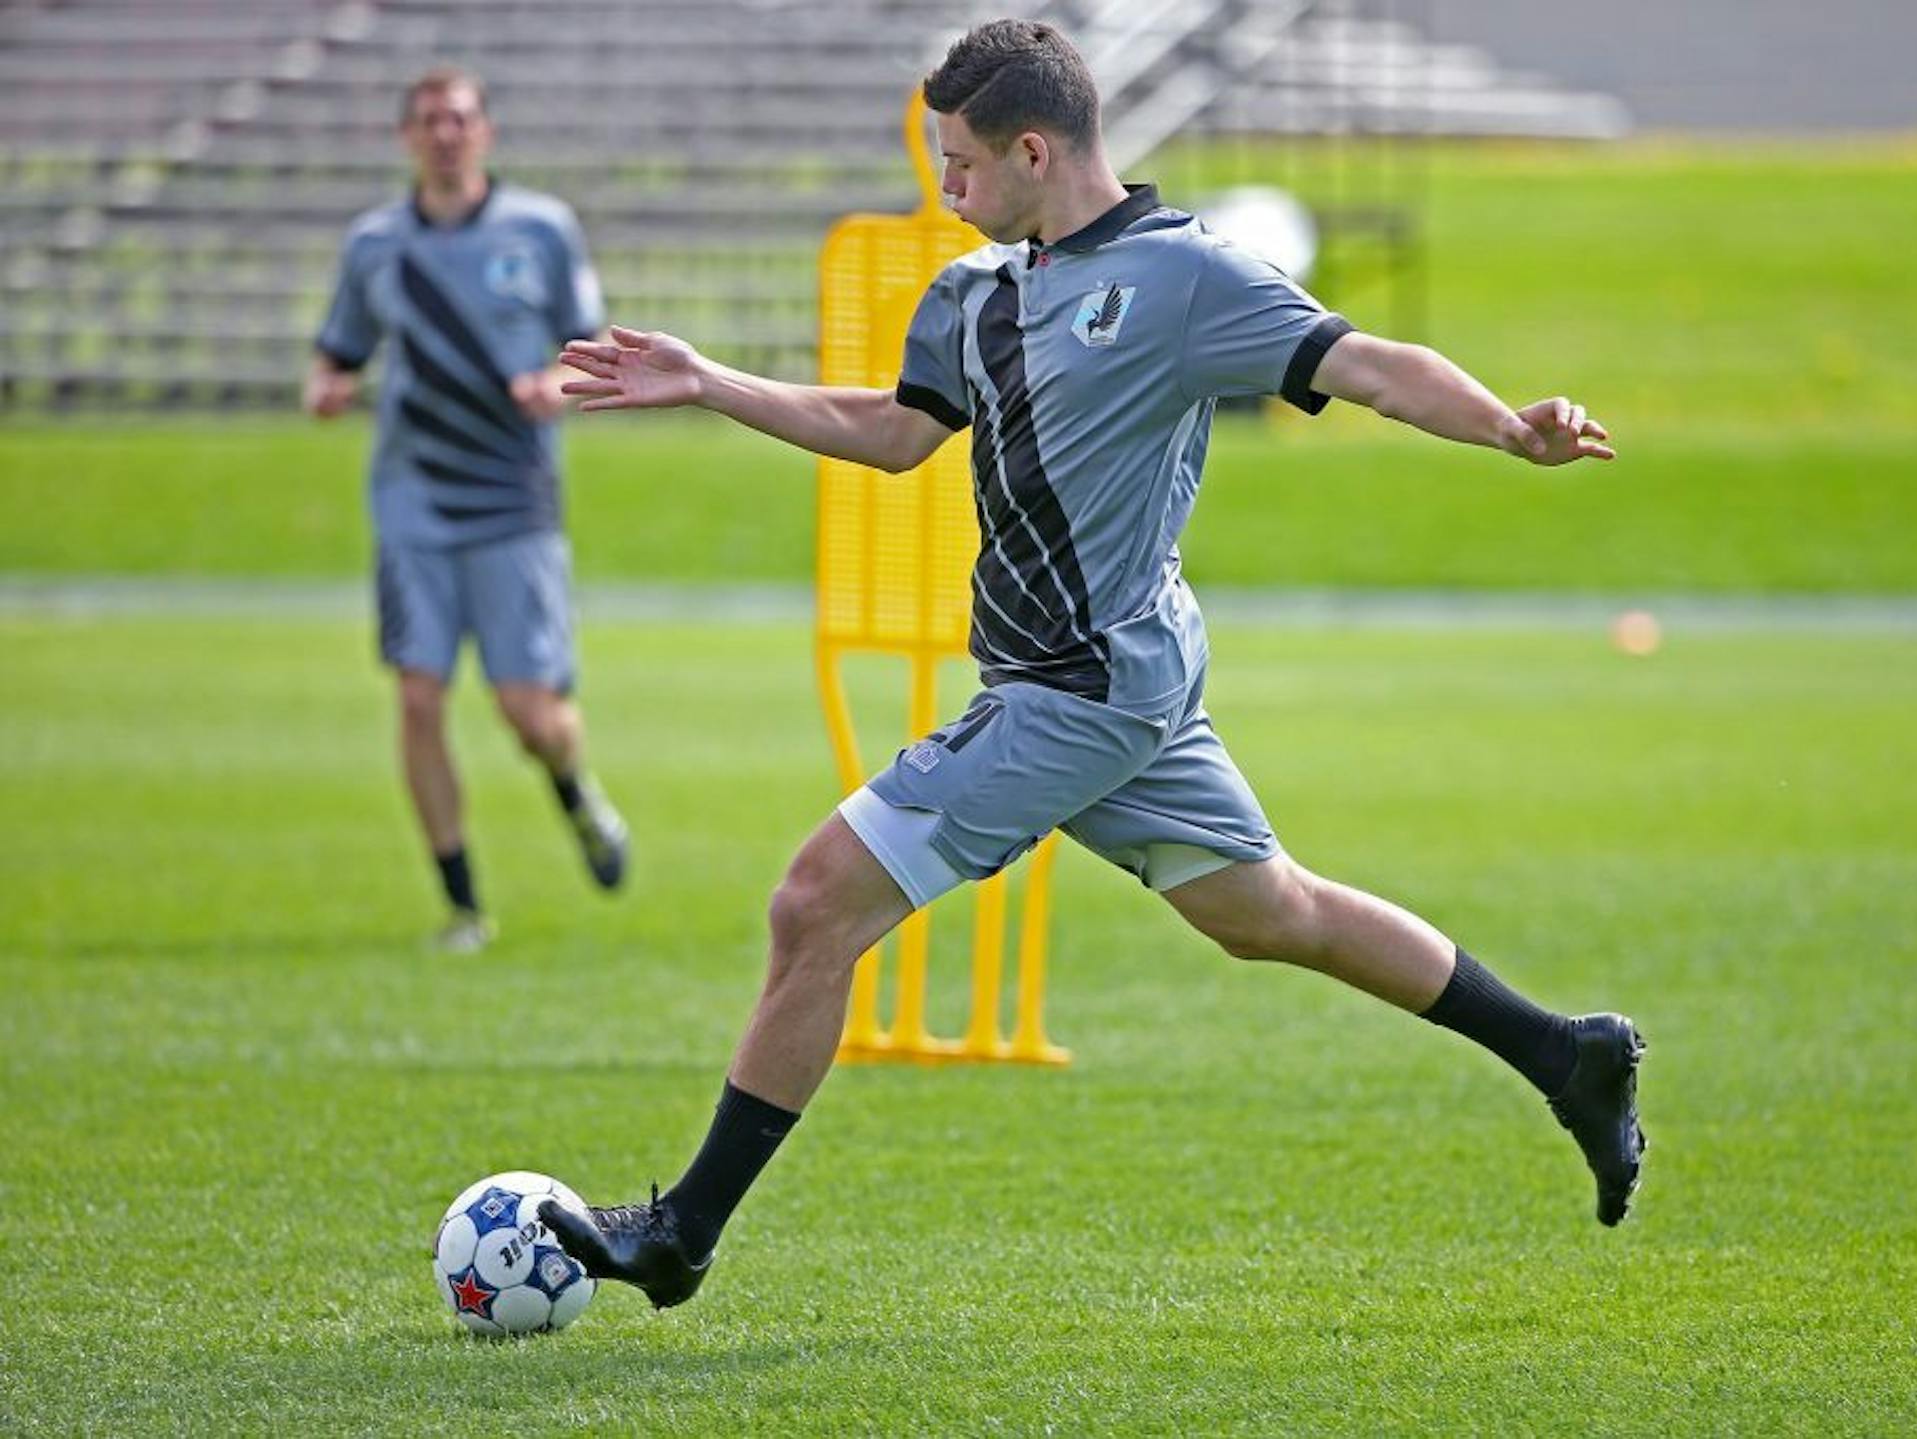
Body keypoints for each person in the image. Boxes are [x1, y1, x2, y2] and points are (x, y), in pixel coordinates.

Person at [540, 20, 1640, 1309]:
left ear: (1032, 148)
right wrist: (710, 380)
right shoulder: (972, 292)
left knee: (813, 900)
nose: (944, 190)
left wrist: (1511, 428)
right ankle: (1568, 1054)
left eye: (957, 165)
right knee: (1268, 913)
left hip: (1083, 685)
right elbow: (896, 434)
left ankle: (682, 1233)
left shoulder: (1185, 280)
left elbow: (1371, 366)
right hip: (1103, 682)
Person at [305, 66, 630, 951]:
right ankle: (461, 904)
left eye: (459, 118)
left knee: (531, 713)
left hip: (512, 497)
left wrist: (552, 384)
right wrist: (327, 387)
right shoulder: (375, 245)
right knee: (418, 695)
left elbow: (592, 350)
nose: (445, 133)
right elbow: (338, 351)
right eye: (428, 120)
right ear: (406, 137)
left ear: (484, 132)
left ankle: (575, 791)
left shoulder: (541, 229)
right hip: (412, 499)